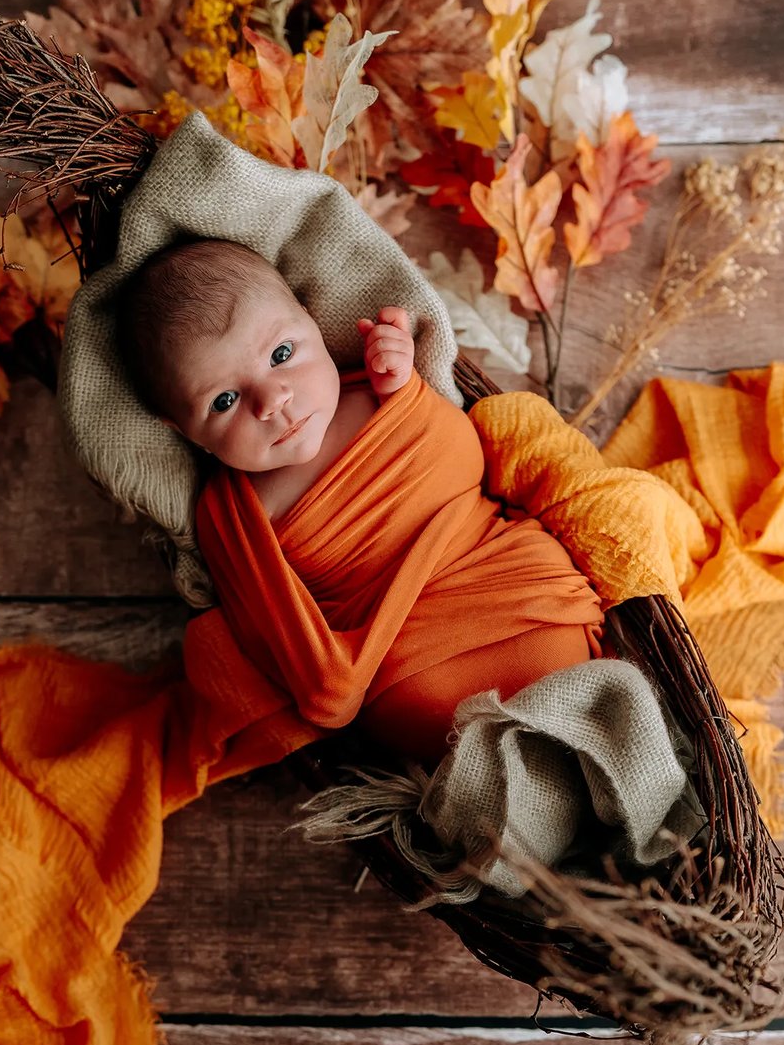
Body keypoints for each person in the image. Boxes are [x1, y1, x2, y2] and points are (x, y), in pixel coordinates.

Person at [118, 237, 605, 764]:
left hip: (511, 586)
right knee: (435, 719)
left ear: (313, 324)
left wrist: (405, 385)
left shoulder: (374, 388)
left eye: (282, 355)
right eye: (224, 400)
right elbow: (278, 634)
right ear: (184, 431)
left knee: (563, 658)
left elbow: (464, 463)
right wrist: (333, 683)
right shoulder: (231, 515)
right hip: (410, 669)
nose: (272, 400)